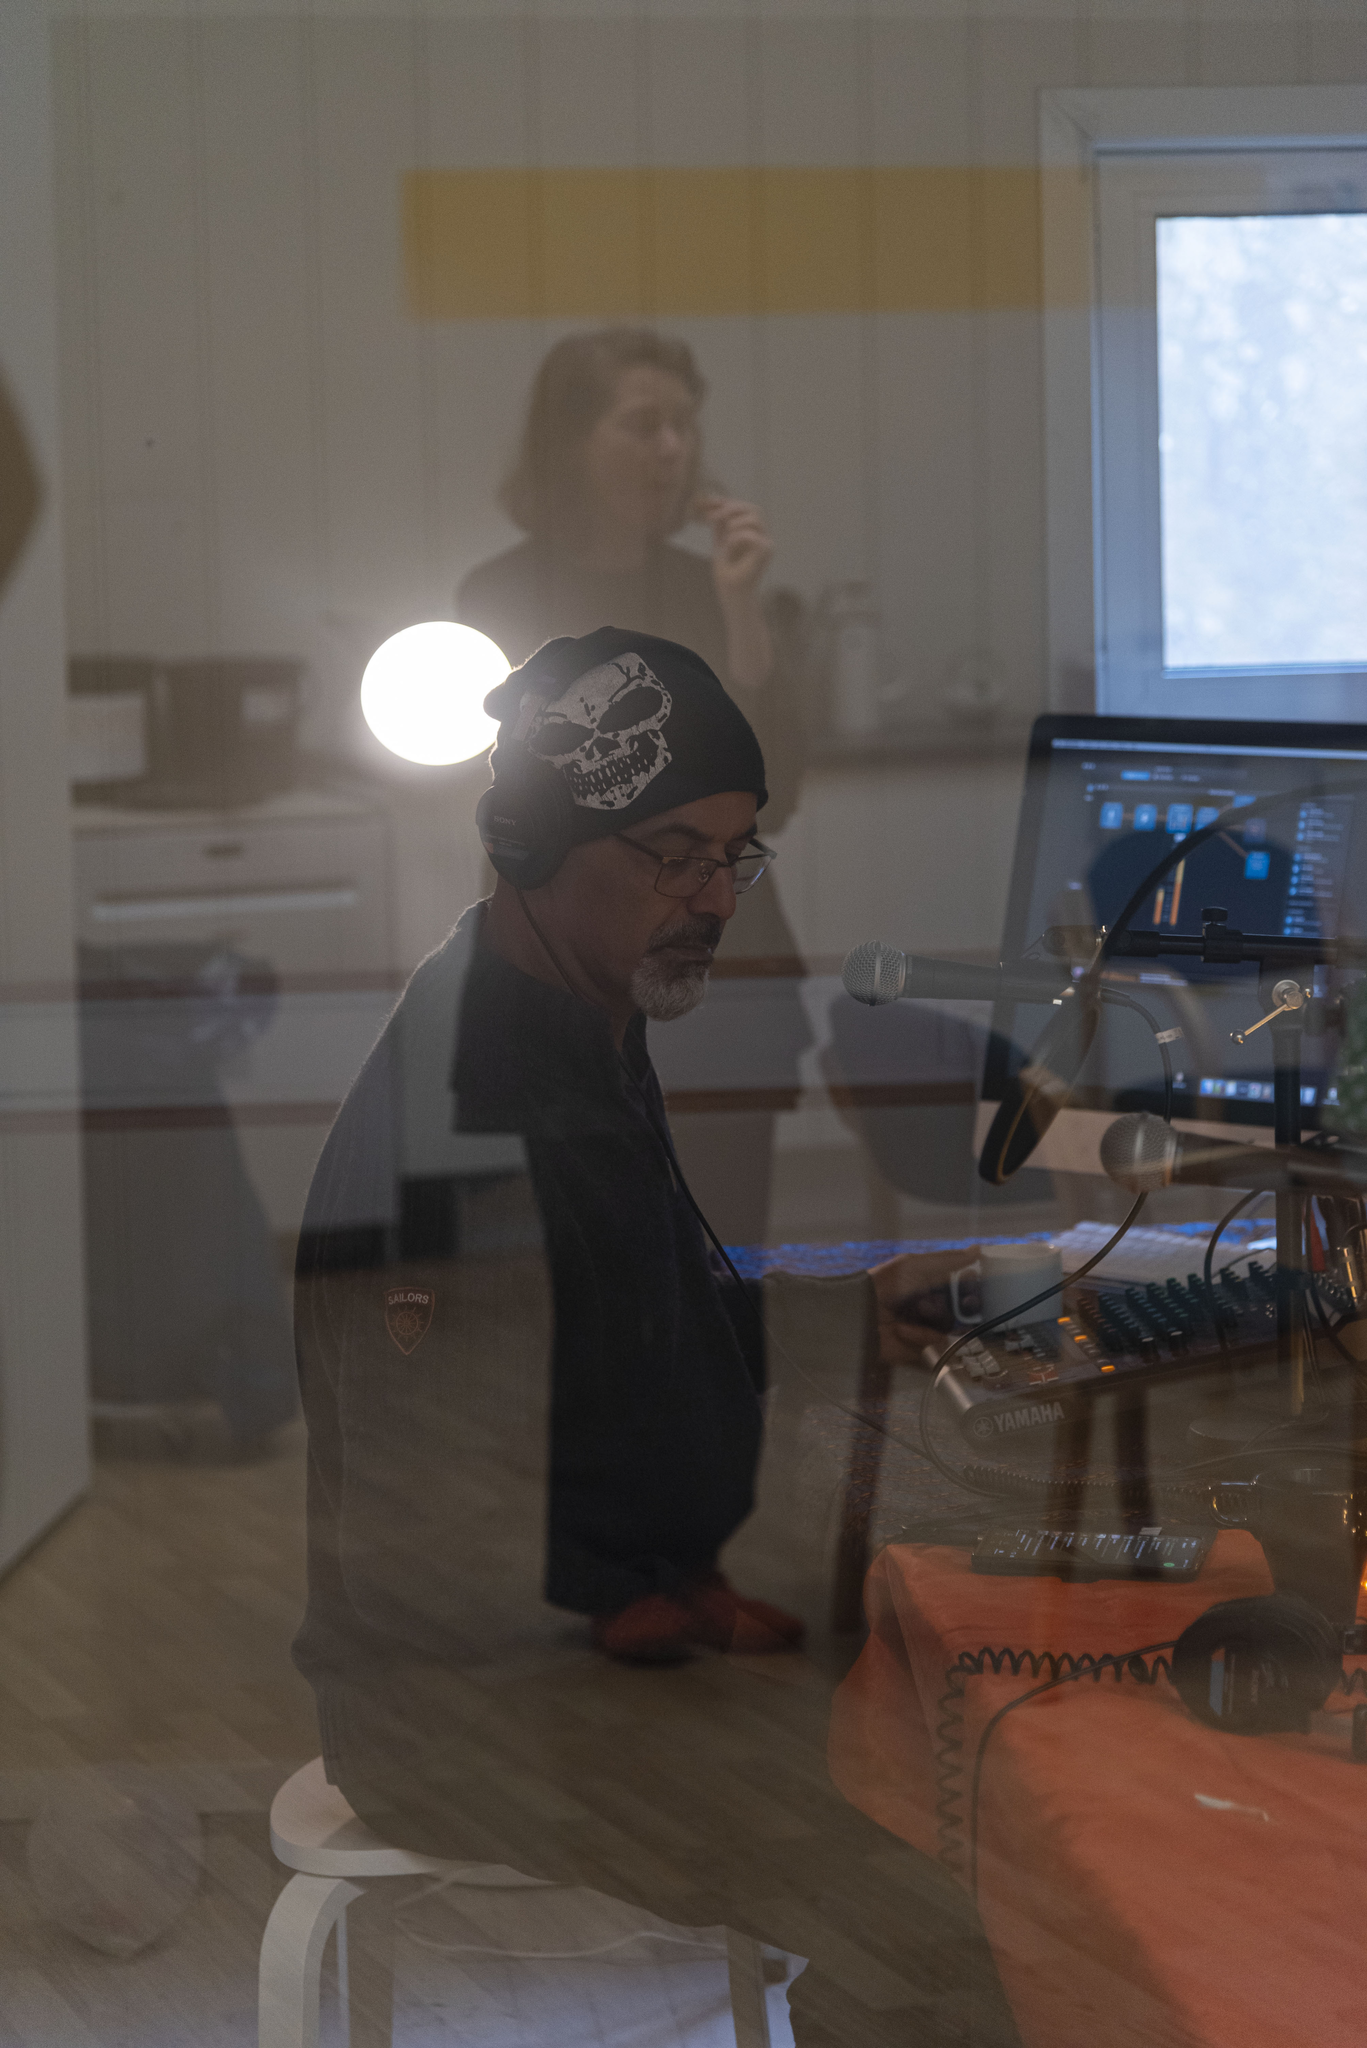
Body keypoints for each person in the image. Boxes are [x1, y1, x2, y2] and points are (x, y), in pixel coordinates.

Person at [291, 627, 1001, 2044]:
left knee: (987, 1735)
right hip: (482, 1714)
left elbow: (625, 1332)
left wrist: (840, 1311)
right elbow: (465, 1540)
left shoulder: (562, 1010)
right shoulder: (486, 1114)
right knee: (974, 1870)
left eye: (735, 857)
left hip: (578, 1636)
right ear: (533, 842)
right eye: (673, 857)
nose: (714, 900)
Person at [457, 327, 811, 1245]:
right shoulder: (498, 596)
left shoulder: (716, 587)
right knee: (594, 1264)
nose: (672, 449)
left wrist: (741, 610)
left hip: (716, 958)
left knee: (726, 1256)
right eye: (643, 425)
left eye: (684, 427)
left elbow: (778, 796)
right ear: (569, 444)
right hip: (569, 967)